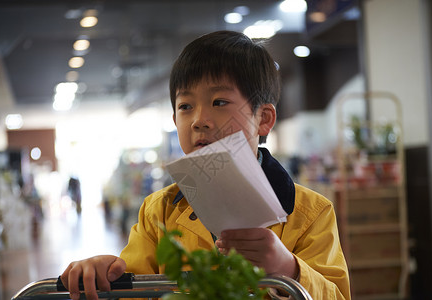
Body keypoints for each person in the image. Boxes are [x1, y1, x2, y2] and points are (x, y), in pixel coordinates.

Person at [61, 30, 351, 300]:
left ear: (263, 119)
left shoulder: (311, 212)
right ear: (175, 120)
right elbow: (137, 288)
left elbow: (336, 294)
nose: (199, 119)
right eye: (185, 106)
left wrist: (289, 270)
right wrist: (105, 275)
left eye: (219, 101)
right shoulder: (159, 211)